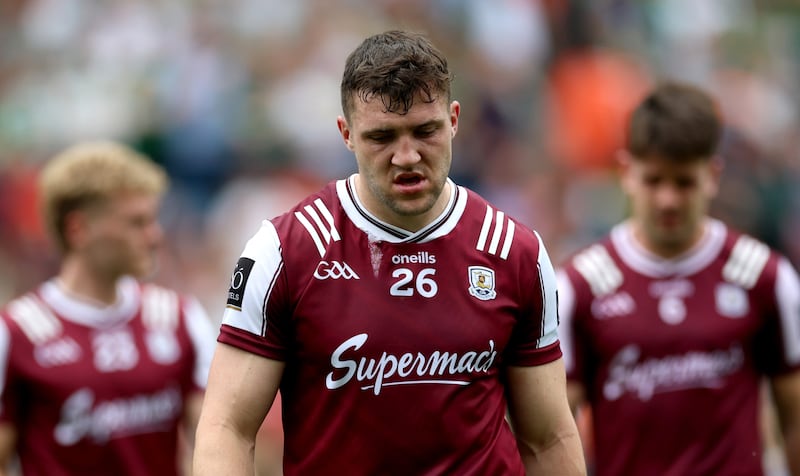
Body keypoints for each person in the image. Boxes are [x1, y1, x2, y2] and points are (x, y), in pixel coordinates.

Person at [193, 30, 585, 475]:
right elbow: (227, 427)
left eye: (425, 131)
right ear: (346, 134)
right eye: (382, 137)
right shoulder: (287, 251)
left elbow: (549, 437)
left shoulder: (513, 251)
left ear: (454, 120)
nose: (406, 155)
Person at [556, 81, 800, 476]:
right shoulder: (579, 287)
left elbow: (795, 418)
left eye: (684, 182)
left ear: (712, 175)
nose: (668, 199)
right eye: (654, 181)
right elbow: (554, 431)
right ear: (627, 173)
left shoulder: (763, 277)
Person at [0, 141, 217, 476]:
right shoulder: (16, 334)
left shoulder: (179, 318)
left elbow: (217, 444)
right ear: (78, 229)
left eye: (153, 219)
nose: (154, 236)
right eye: (136, 222)